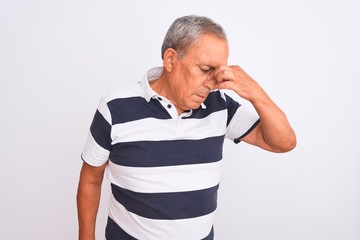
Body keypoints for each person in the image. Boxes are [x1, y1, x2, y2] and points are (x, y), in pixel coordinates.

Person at [77, 15, 296, 240]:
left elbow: (283, 142)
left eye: (218, 72)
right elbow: (91, 178)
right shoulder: (115, 107)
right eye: (205, 69)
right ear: (171, 60)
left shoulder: (220, 106)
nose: (212, 82)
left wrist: (254, 91)